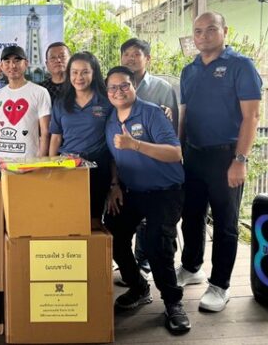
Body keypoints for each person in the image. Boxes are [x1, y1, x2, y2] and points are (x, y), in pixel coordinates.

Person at [177, 12, 262, 312]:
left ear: (225, 31)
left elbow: (252, 116)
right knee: (191, 215)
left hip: (226, 156)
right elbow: (185, 115)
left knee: (225, 223)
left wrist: (240, 159)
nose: (203, 36)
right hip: (193, 154)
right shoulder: (189, 70)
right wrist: (178, 152)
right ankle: (191, 267)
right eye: (198, 31)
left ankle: (220, 285)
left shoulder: (241, 65)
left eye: (211, 29)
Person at [104, 66, 189, 334]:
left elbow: (175, 153)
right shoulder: (110, 119)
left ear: (134, 87)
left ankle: (173, 303)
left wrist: (136, 145)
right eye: (113, 87)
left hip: (165, 191)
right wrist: (115, 185)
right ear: (107, 93)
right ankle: (139, 287)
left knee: (156, 244)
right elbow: (114, 158)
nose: (119, 91)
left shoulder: (151, 112)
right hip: (132, 192)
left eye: (124, 85)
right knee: (113, 234)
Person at [121, 37, 180, 277]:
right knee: (132, 217)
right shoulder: (116, 87)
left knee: (157, 222)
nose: (130, 59)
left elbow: (173, 128)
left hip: (156, 163)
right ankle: (138, 264)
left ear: (148, 58)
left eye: (136, 54)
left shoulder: (162, 88)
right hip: (128, 163)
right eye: (126, 54)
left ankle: (149, 264)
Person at [49, 51, 112, 224]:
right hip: (68, 167)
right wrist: (51, 167)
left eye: (85, 72)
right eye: (74, 72)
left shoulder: (106, 101)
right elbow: (55, 138)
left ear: (94, 73)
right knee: (68, 218)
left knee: (93, 221)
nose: (79, 77)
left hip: (98, 167)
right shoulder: (61, 102)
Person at [0, 45, 51, 178]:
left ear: (26, 63)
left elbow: (45, 132)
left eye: (17, 61)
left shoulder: (39, 92)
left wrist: (40, 162)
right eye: (7, 61)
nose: (12, 65)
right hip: (3, 164)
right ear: (1, 66)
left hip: (30, 164)